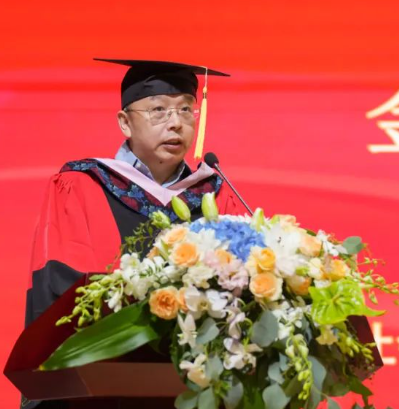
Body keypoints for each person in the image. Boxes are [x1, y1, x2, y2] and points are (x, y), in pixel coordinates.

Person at [21, 59, 245, 409]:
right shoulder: (81, 185)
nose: (175, 122)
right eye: (158, 110)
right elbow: (60, 288)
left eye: (185, 109)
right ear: (125, 122)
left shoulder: (215, 194)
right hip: (102, 389)